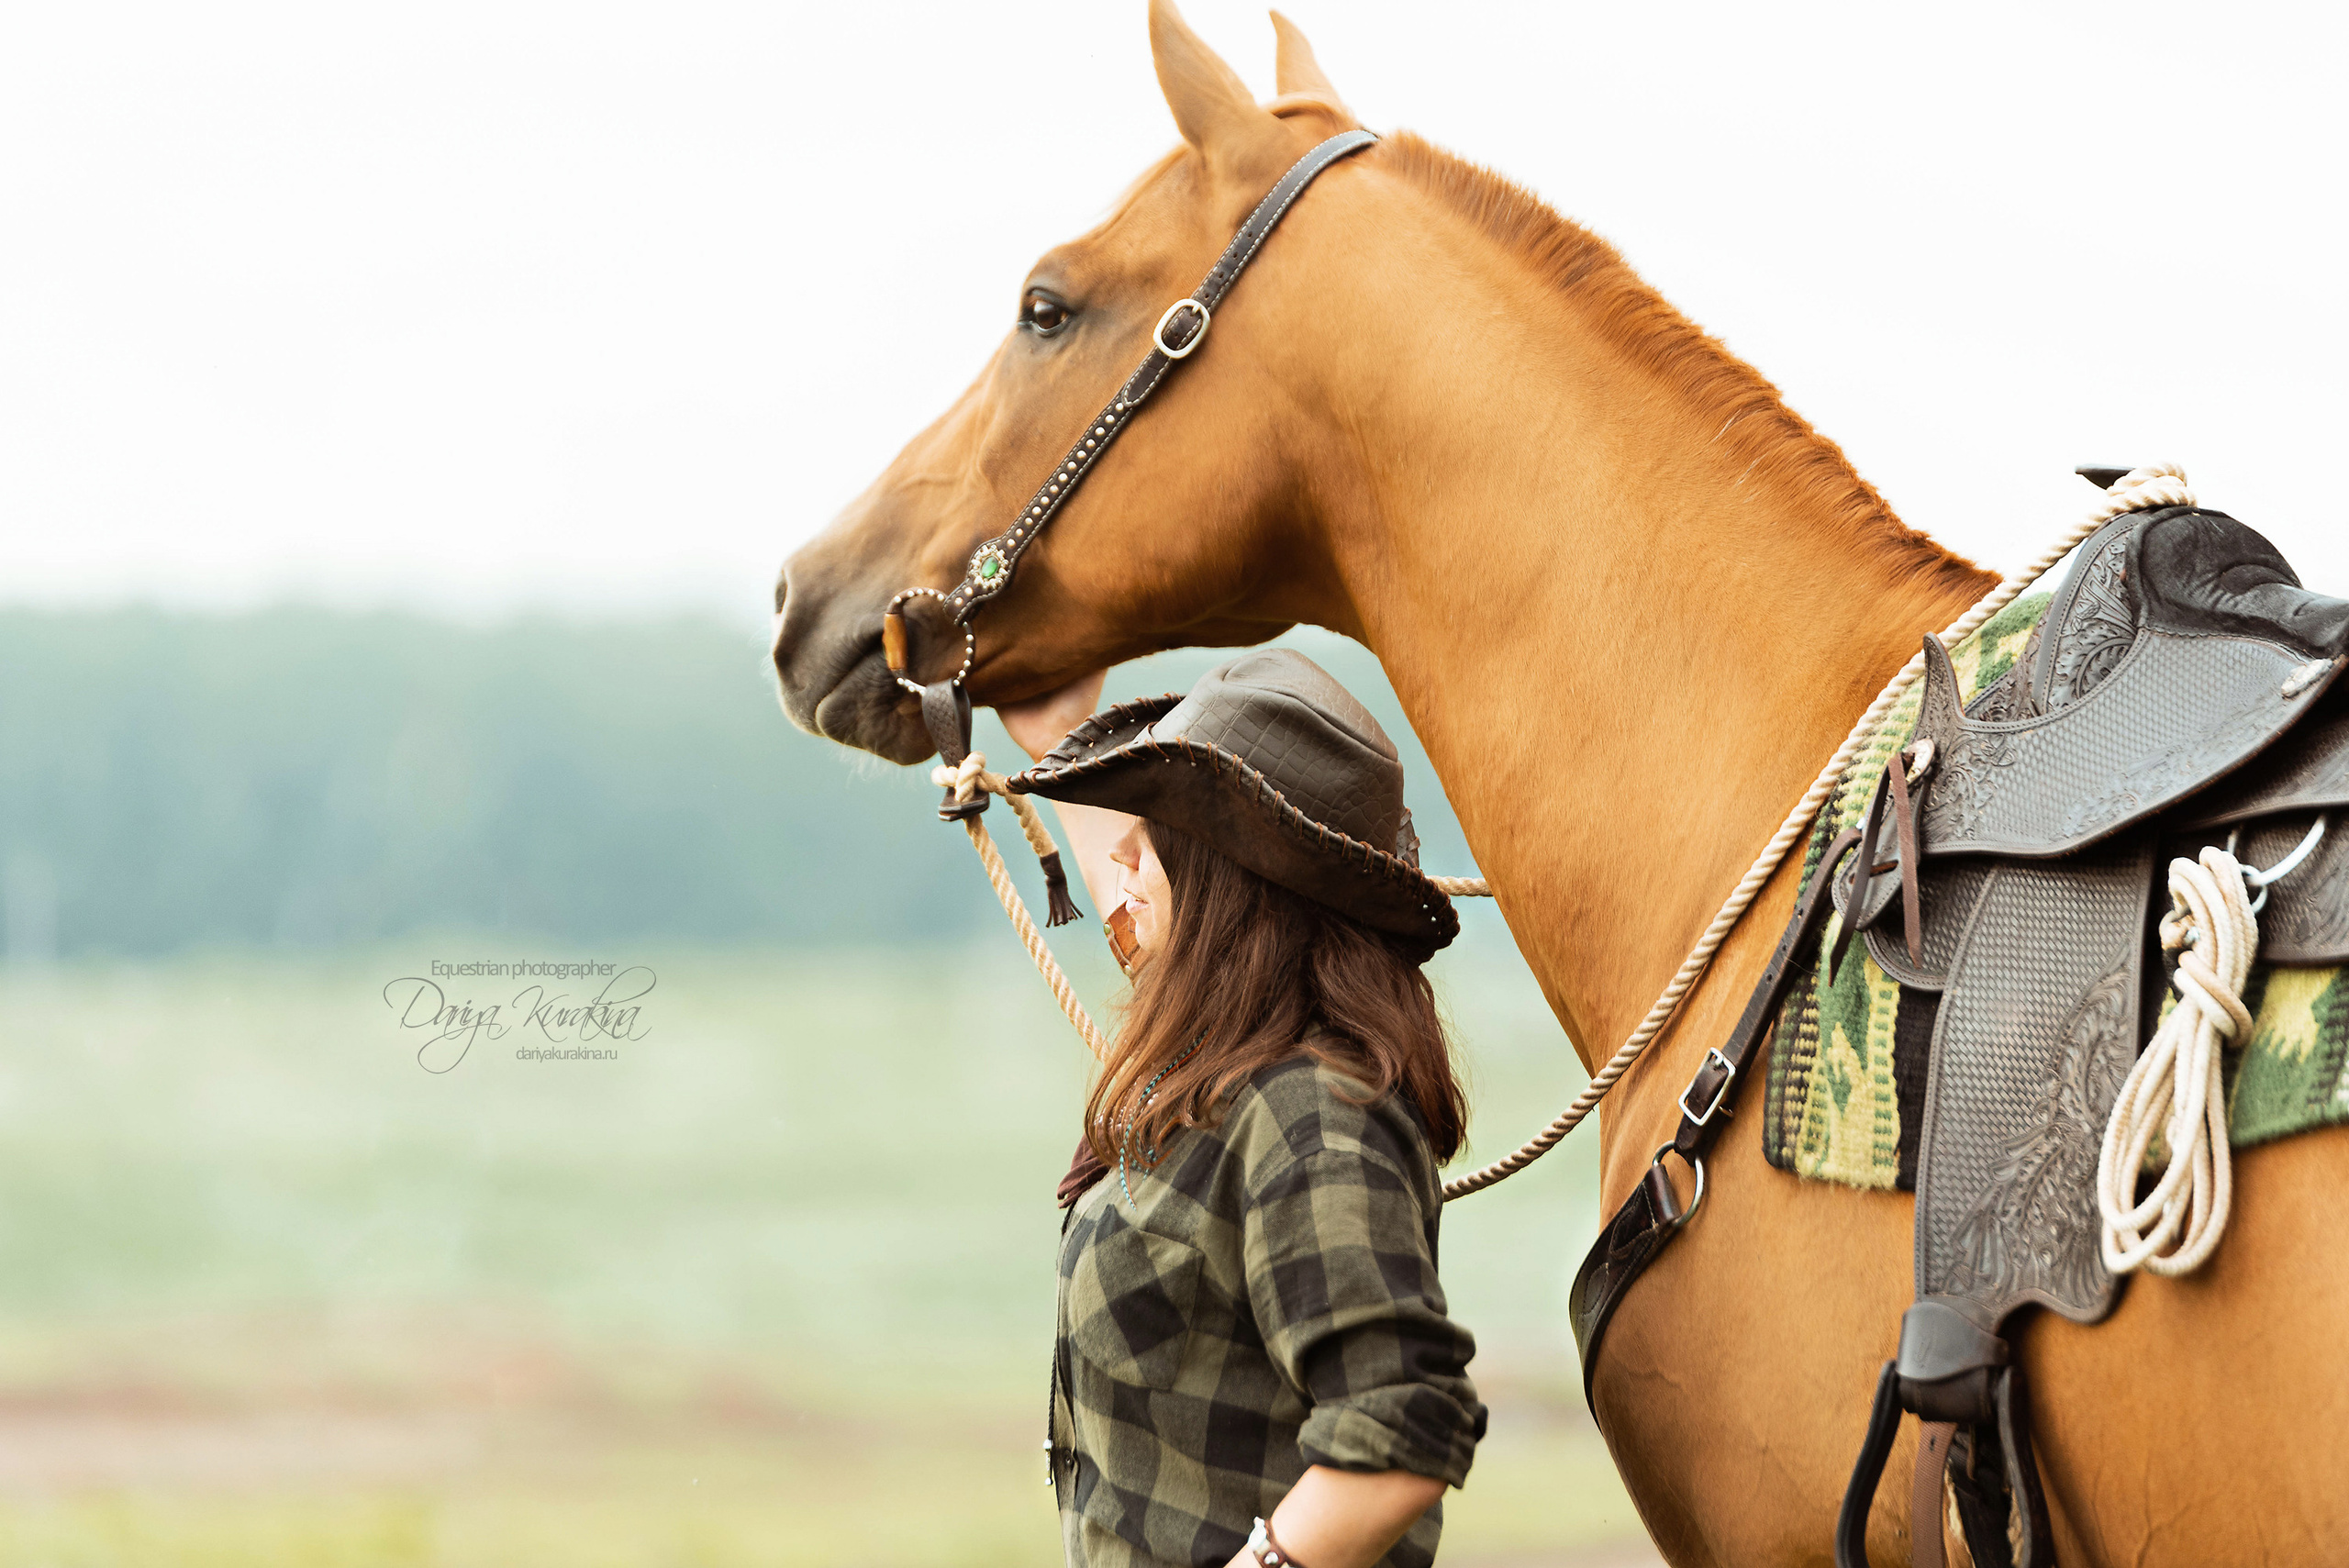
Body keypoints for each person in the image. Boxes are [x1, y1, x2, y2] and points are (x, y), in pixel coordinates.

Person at [996, 648, 1486, 1568]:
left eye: (1157, 835)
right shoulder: (1228, 1068)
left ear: (1233, 886)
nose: (1121, 857)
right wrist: (1059, 726)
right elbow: (1140, 904)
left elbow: (1400, 1426)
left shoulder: (1311, 1117)